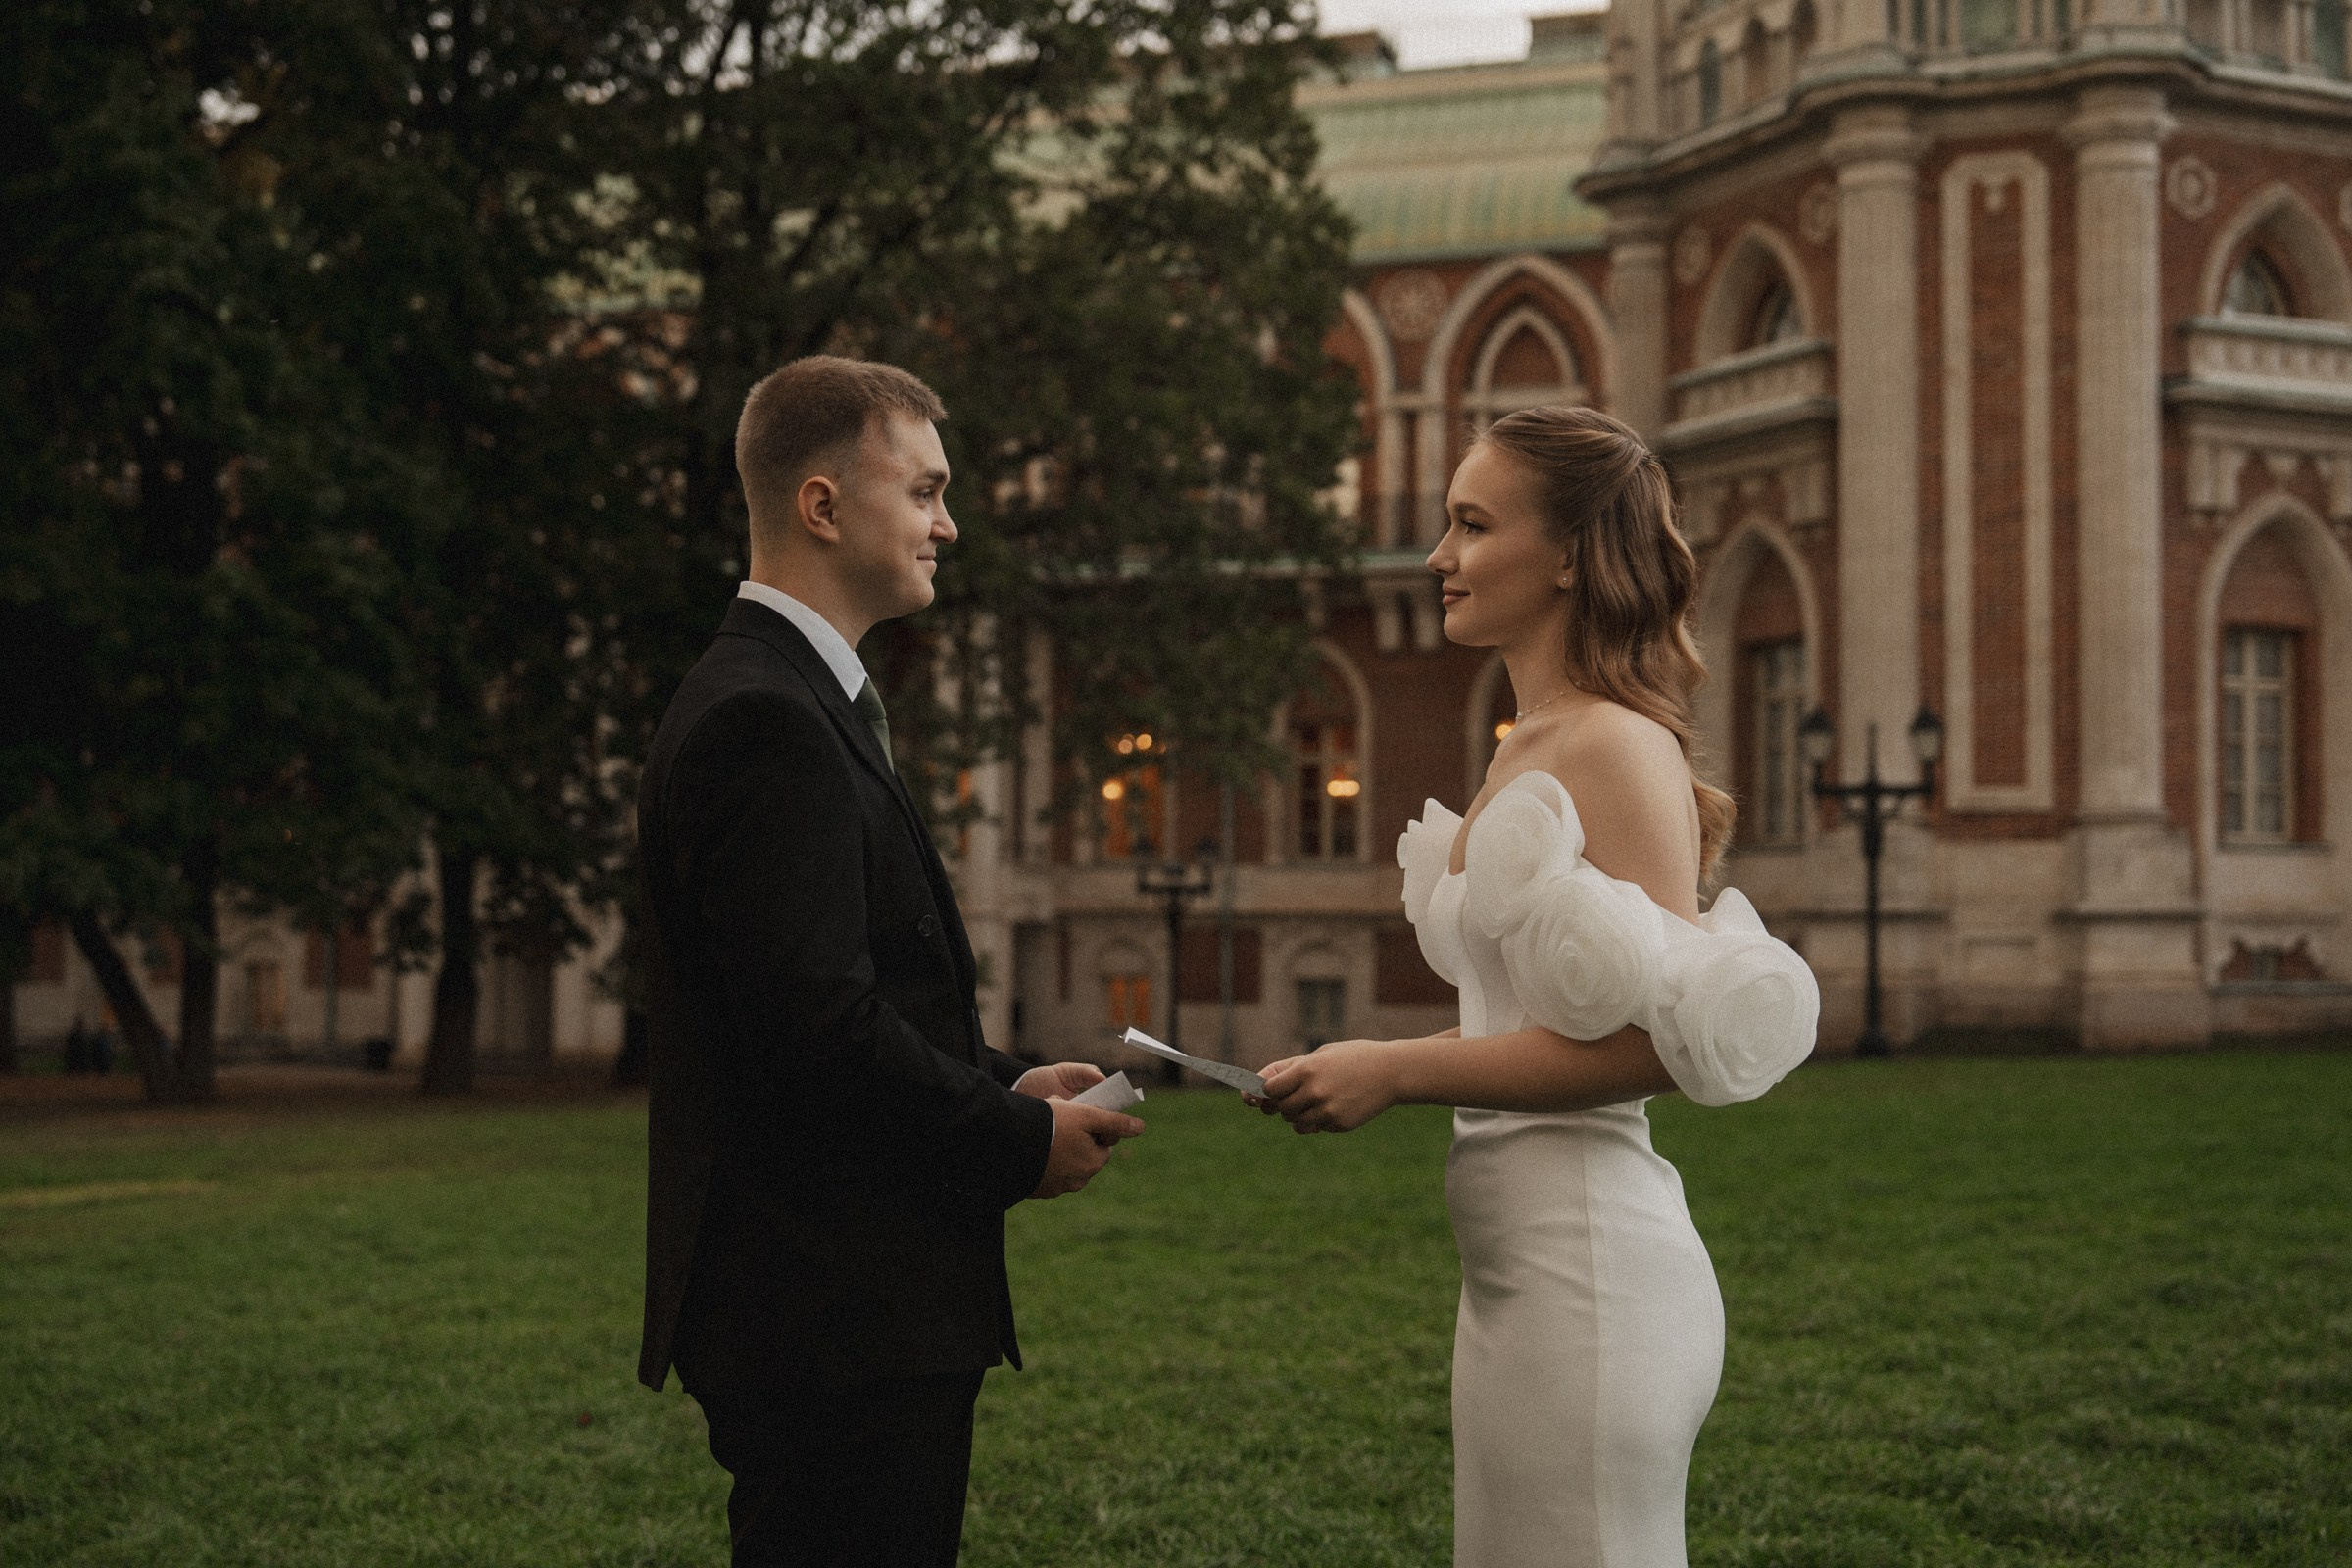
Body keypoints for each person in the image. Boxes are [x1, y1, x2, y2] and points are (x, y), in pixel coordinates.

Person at [1254, 405, 1818, 1567]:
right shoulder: (1526, 739)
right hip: (1515, 1275)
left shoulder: (1615, 745)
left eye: (1470, 525)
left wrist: (1393, 1068)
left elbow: (1657, 1044)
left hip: (1594, 1276)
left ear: (1566, 554)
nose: (1436, 557)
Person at [635, 355, 1144, 1568]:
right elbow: (818, 1031)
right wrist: (1015, 1144)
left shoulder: (799, 697)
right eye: (922, 492)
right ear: (822, 506)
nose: (947, 524)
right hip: (829, 1313)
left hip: (843, 1303)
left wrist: (1003, 1078)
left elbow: (843, 995)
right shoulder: (768, 718)